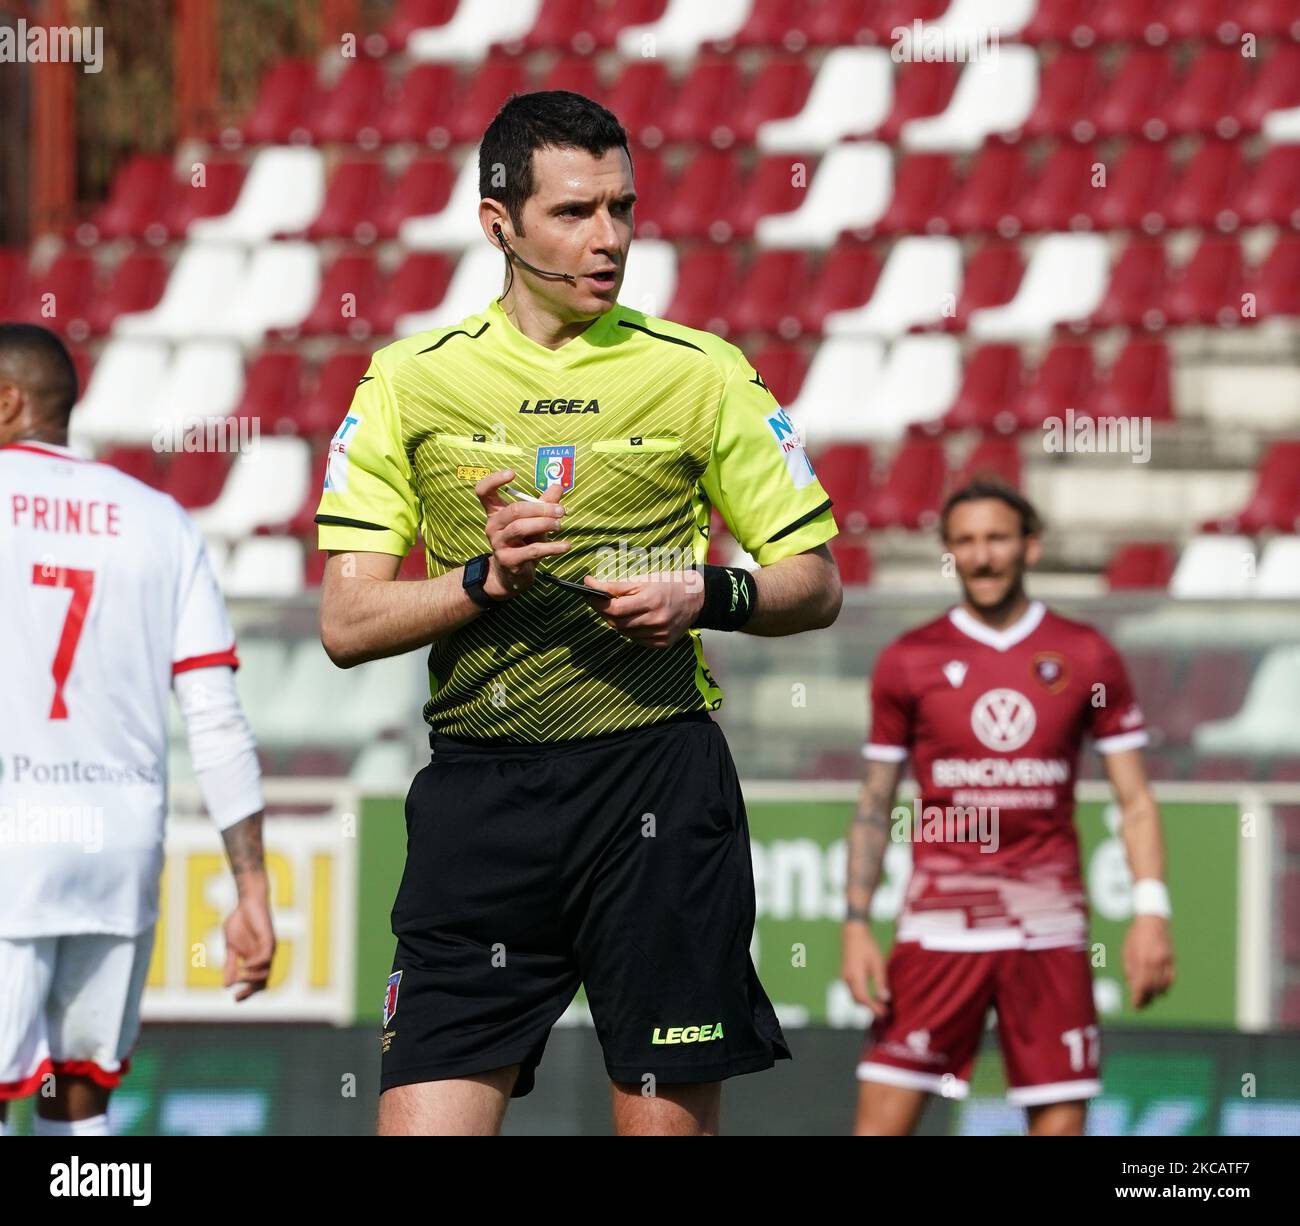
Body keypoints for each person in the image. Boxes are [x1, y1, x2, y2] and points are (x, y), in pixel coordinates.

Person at [316, 90, 842, 1136]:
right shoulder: (408, 383)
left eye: (622, 207)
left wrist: (711, 592)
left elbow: (816, 581)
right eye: (572, 213)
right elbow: (347, 623)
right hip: (480, 800)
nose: (607, 240)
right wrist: (477, 581)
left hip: (655, 782)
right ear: (497, 223)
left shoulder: (703, 373)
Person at [0, 323, 274, 1137]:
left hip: (10, 844)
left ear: (8, 400)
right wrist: (252, 891)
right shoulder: (159, 521)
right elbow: (216, 718)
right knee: (76, 1101)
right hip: (114, 852)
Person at [841, 478, 1175, 1136]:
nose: (982, 556)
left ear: (1030, 546)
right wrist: (855, 924)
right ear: (949, 553)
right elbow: (875, 804)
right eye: (964, 542)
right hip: (940, 928)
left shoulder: (1087, 655)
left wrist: (1151, 911)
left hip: (1048, 931)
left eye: (996, 538)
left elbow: (1134, 799)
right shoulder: (910, 660)